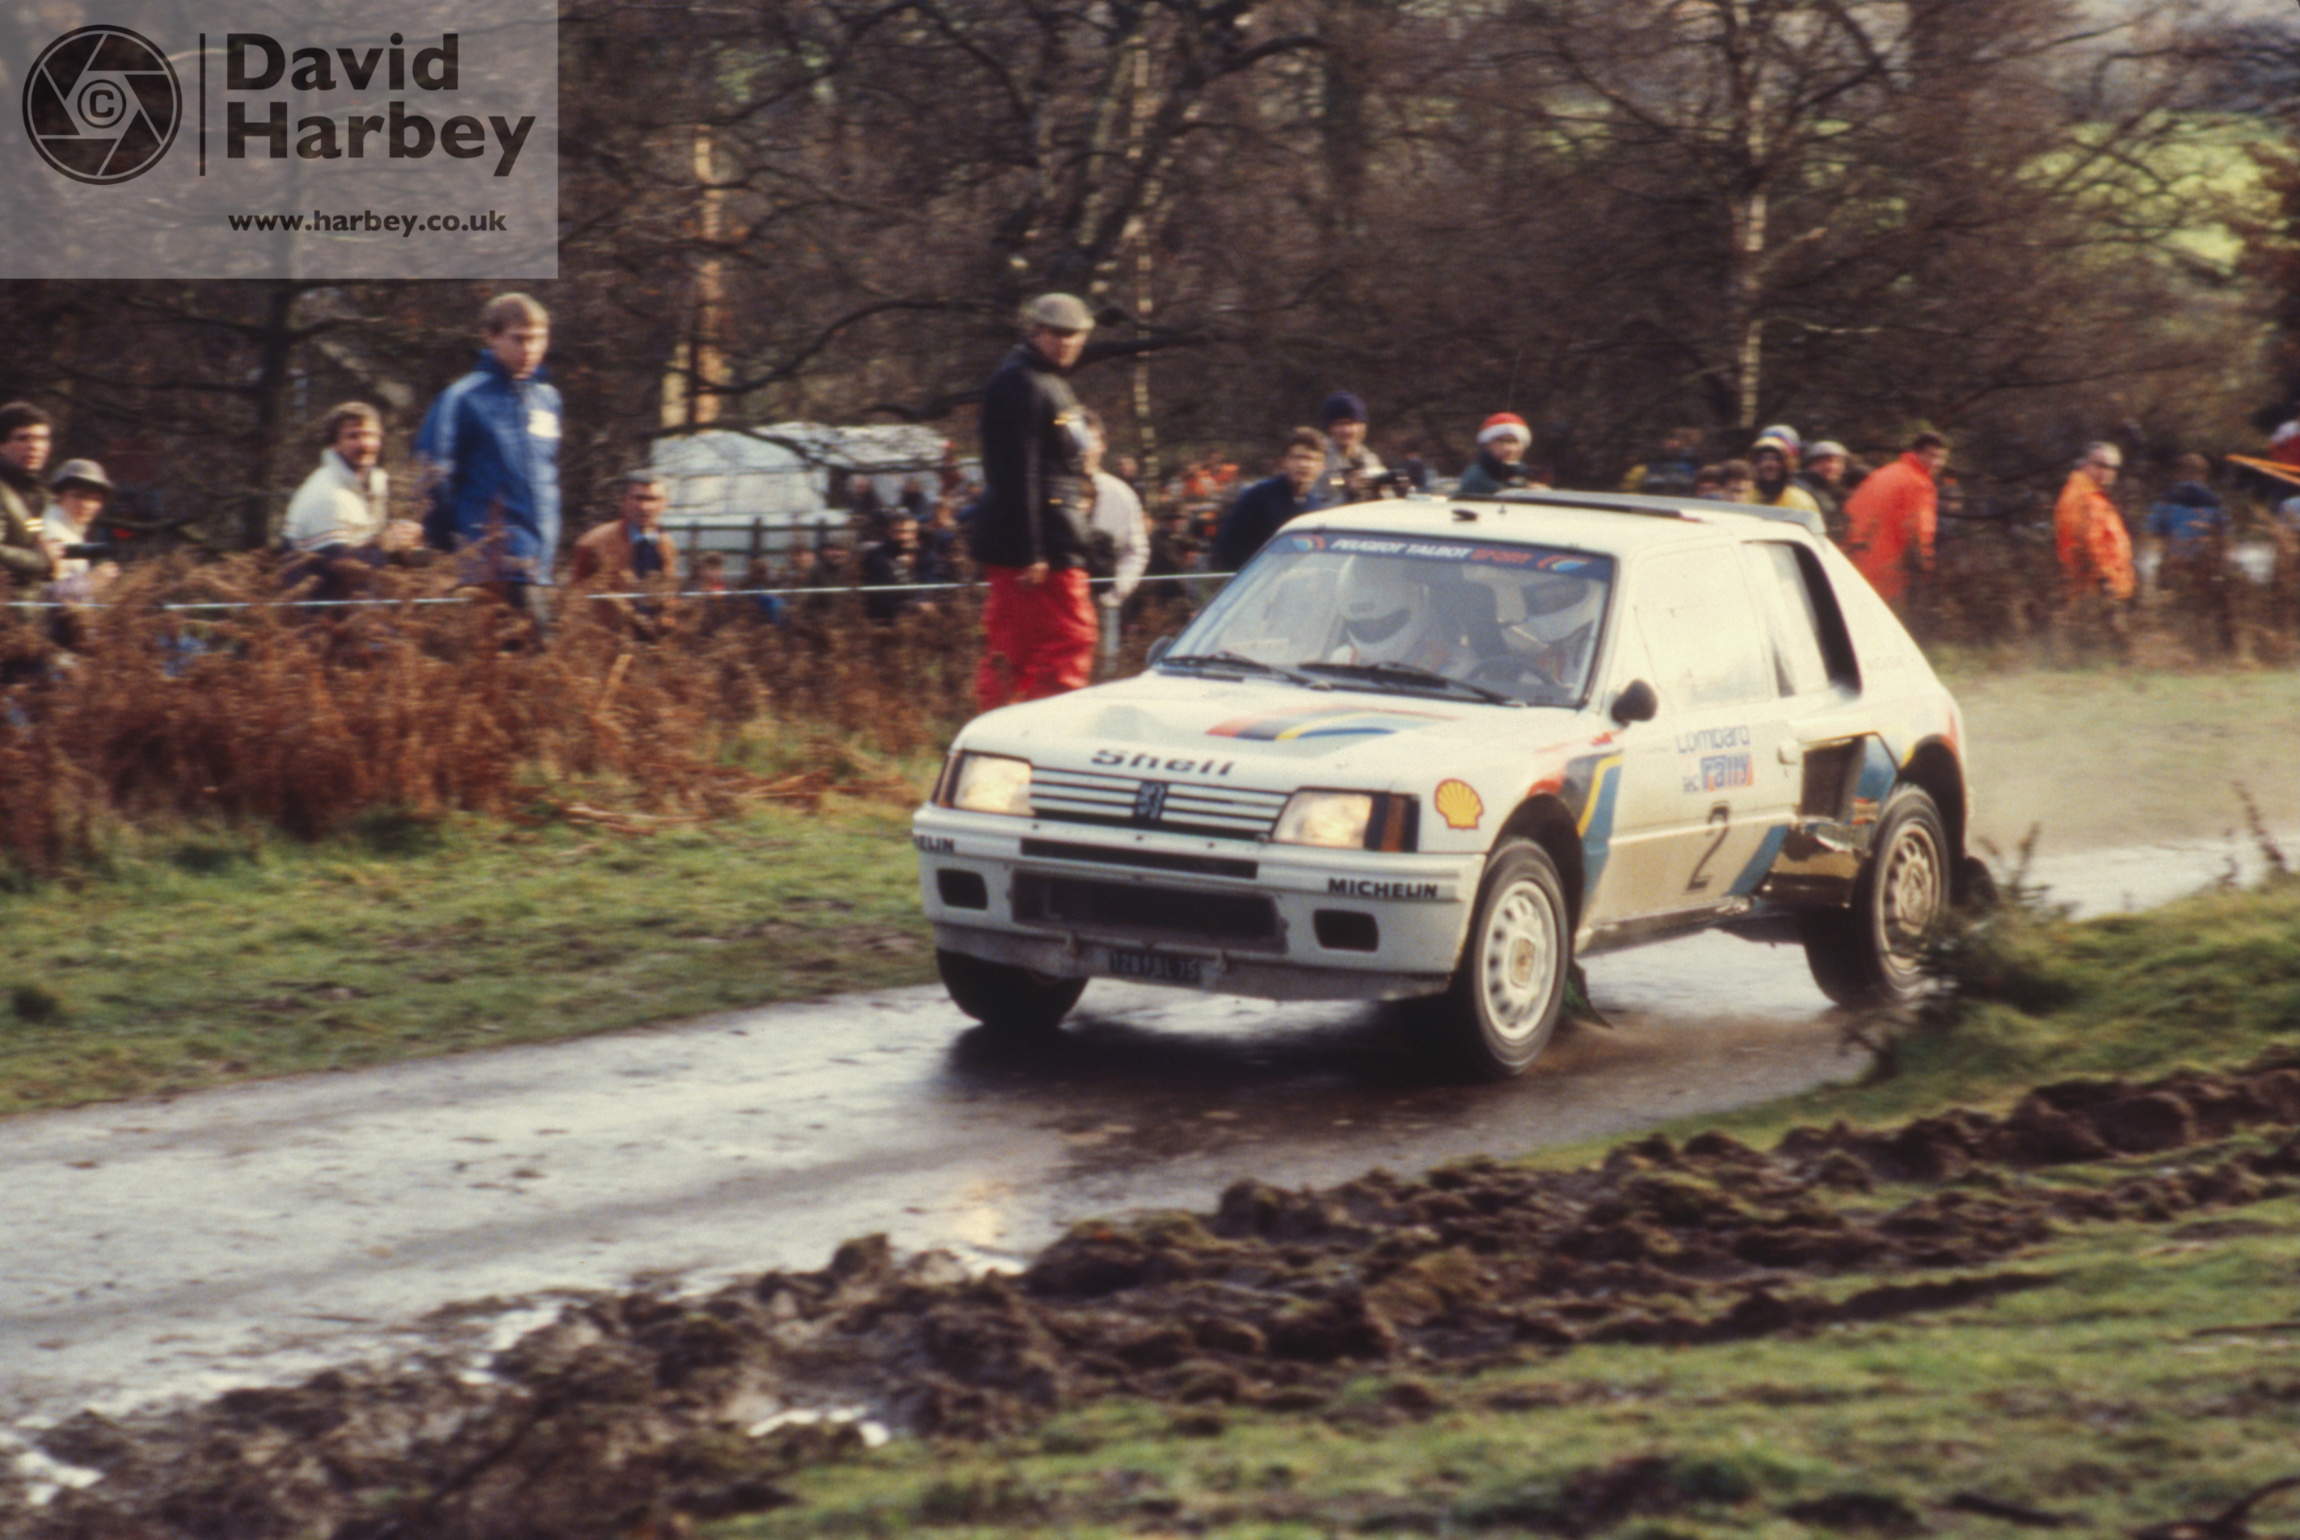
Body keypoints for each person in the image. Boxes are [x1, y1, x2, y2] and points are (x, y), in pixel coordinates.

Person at [971, 291, 1100, 709]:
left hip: (1049, 540)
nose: (1066, 343)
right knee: (1068, 638)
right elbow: (1015, 472)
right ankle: (1043, 735)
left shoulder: (1047, 381)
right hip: (1039, 548)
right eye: (1056, 334)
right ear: (1034, 331)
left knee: (1018, 648)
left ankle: (1012, 736)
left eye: (1075, 335)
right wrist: (1032, 550)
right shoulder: (1021, 381)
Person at [415, 292, 563, 625]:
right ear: (491, 337)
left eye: (538, 340)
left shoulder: (548, 399)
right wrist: (455, 543)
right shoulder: (462, 398)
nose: (529, 350)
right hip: (490, 562)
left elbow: (545, 479)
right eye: (518, 339)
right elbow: (432, 477)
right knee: (537, 655)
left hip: (540, 562)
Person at [282, 402, 421, 570]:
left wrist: (404, 541)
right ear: (334, 444)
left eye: (370, 435)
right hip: (316, 592)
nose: (364, 444)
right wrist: (383, 545)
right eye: (353, 436)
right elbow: (337, 570)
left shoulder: (376, 483)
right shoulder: (327, 494)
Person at [1842, 430, 1946, 608]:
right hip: (1888, 573)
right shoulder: (1919, 483)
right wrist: (1926, 572)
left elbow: (1851, 512)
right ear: (1917, 453)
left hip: (1854, 562)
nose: (1937, 463)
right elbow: (1919, 533)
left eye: (1941, 457)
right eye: (1932, 456)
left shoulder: (1886, 472)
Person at [1212, 427, 1329, 572]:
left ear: (1322, 467)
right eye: (1297, 457)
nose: (1303, 465)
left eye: (1311, 459)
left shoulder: (1315, 505)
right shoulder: (1259, 497)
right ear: (1285, 462)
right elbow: (1230, 547)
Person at [1081, 410, 1149, 626]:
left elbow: (1137, 551)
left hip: (1105, 612)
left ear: (1102, 445)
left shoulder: (1121, 494)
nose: (1081, 449)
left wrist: (1115, 593)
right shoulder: (1044, 493)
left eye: (1088, 440)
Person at [2054, 441, 2135, 608]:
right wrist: (2104, 581)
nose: (2107, 472)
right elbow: (2084, 543)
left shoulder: (2096, 496)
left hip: (2109, 590)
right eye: (2101, 465)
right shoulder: (2078, 496)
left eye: (2113, 467)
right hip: (2094, 592)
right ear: (2085, 464)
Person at [0, 402, 57, 594]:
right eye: (23, 438)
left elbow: (29, 529)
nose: (34, 446)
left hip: (27, 613)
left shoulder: (35, 492)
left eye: (42, 438)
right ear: (2, 445)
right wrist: (43, 561)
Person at [2145, 454, 2226, 562]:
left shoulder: (2166, 499)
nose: (2191, 478)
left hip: (2175, 561)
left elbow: (2152, 533)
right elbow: (2223, 536)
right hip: (2201, 563)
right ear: (2204, 475)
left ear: (2177, 474)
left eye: (2194, 472)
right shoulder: (2213, 501)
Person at [1748, 432, 1826, 537]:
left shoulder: (1802, 501)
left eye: (1776, 459)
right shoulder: (1743, 498)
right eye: (1762, 459)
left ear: (1787, 464)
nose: (1769, 465)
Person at [1318, 392, 1388, 503]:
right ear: (1329, 428)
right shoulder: (1318, 458)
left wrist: (1381, 488)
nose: (1346, 430)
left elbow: (1386, 506)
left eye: (1351, 424)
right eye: (1339, 424)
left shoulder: (1370, 460)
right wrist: (1347, 488)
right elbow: (1315, 504)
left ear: (1362, 428)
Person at [1454, 413, 1542, 496]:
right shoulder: (1476, 477)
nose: (1508, 448)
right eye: (1501, 441)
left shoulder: (1525, 474)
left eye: (1514, 442)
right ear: (1486, 444)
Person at [1798, 439, 1851, 542]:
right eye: (1824, 461)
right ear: (1810, 464)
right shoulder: (1803, 490)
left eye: (1838, 461)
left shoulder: (1830, 492)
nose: (1831, 467)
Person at [1631, 425, 1703, 497]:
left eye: (1676, 439)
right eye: (1667, 439)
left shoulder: (1692, 461)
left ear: (1684, 442)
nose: (1670, 443)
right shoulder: (1652, 461)